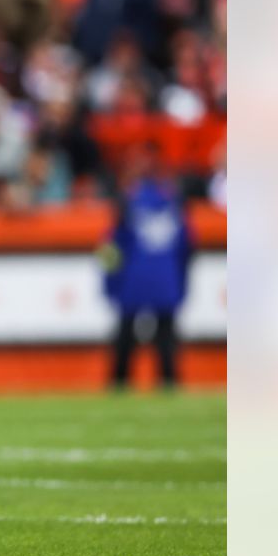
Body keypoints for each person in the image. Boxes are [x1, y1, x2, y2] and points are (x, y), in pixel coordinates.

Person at [99, 145, 193, 390]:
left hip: (134, 277)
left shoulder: (127, 203)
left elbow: (111, 247)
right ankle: (169, 383)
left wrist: (108, 283)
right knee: (166, 337)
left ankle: (119, 383)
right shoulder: (174, 203)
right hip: (166, 277)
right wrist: (182, 283)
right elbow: (187, 246)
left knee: (126, 335)